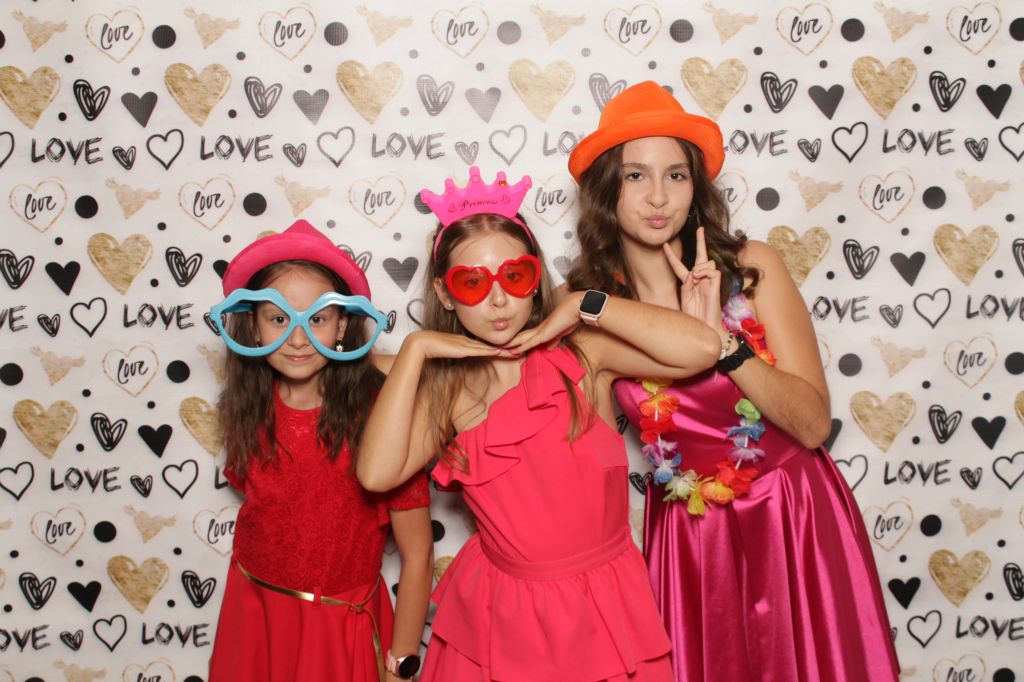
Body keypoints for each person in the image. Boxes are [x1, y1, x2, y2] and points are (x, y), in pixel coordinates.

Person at [565, 81, 900, 681]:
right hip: (691, 537)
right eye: (636, 176)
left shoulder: (752, 268)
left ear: (696, 187)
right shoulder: (594, 307)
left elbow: (812, 425)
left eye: (676, 175)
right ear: (606, 189)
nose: (658, 197)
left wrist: (723, 344)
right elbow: (585, 463)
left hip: (792, 513)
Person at [357, 166, 721, 682]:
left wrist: (582, 303)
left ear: (536, 277)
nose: (498, 301)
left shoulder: (581, 354)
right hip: (498, 616)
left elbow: (703, 348)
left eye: (515, 277)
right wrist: (416, 348)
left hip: (603, 606)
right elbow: (375, 474)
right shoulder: (449, 391)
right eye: (471, 283)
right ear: (444, 293)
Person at [207, 219, 434, 682]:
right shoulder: (250, 404)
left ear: (343, 323)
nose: (297, 339)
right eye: (278, 318)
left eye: (316, 319)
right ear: (252, 326)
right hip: (254, 612)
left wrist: (401, 664)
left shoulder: (380, 414)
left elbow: (418, 554)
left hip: (338, 626)